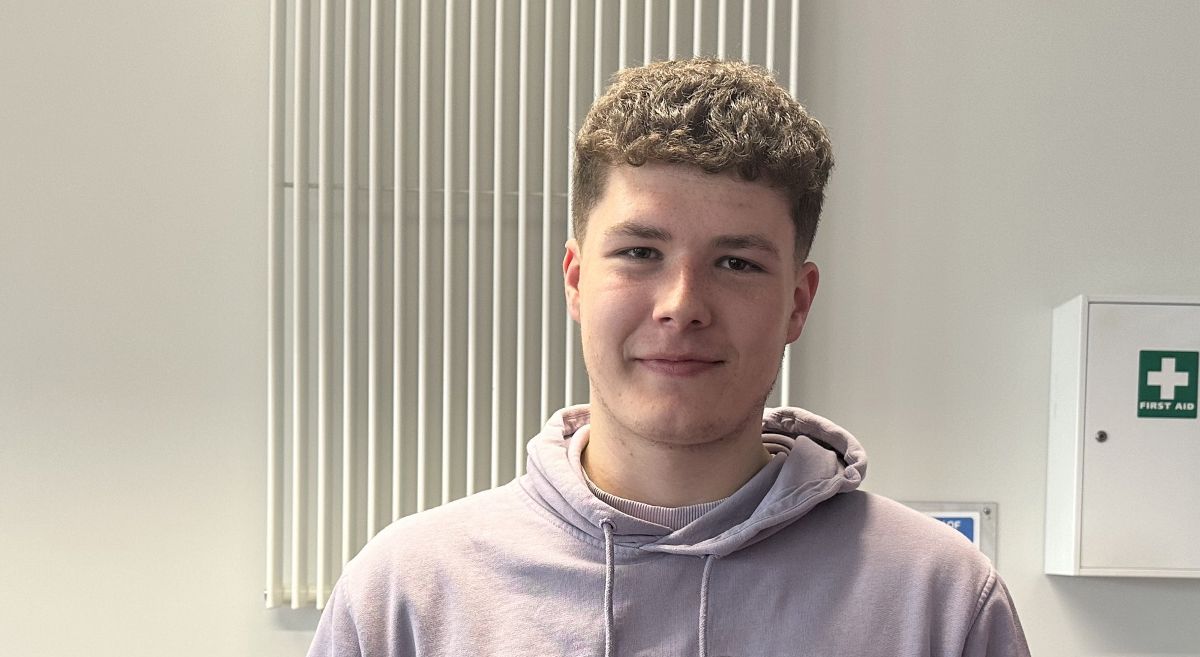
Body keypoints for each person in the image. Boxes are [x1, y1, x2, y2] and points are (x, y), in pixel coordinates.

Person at [307, 57, 1030, 657]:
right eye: (640, 253)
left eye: (738, 263)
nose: (682, 303)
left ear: (799, 303)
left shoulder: (939, 602)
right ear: (577, 279)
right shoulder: (408, 596)